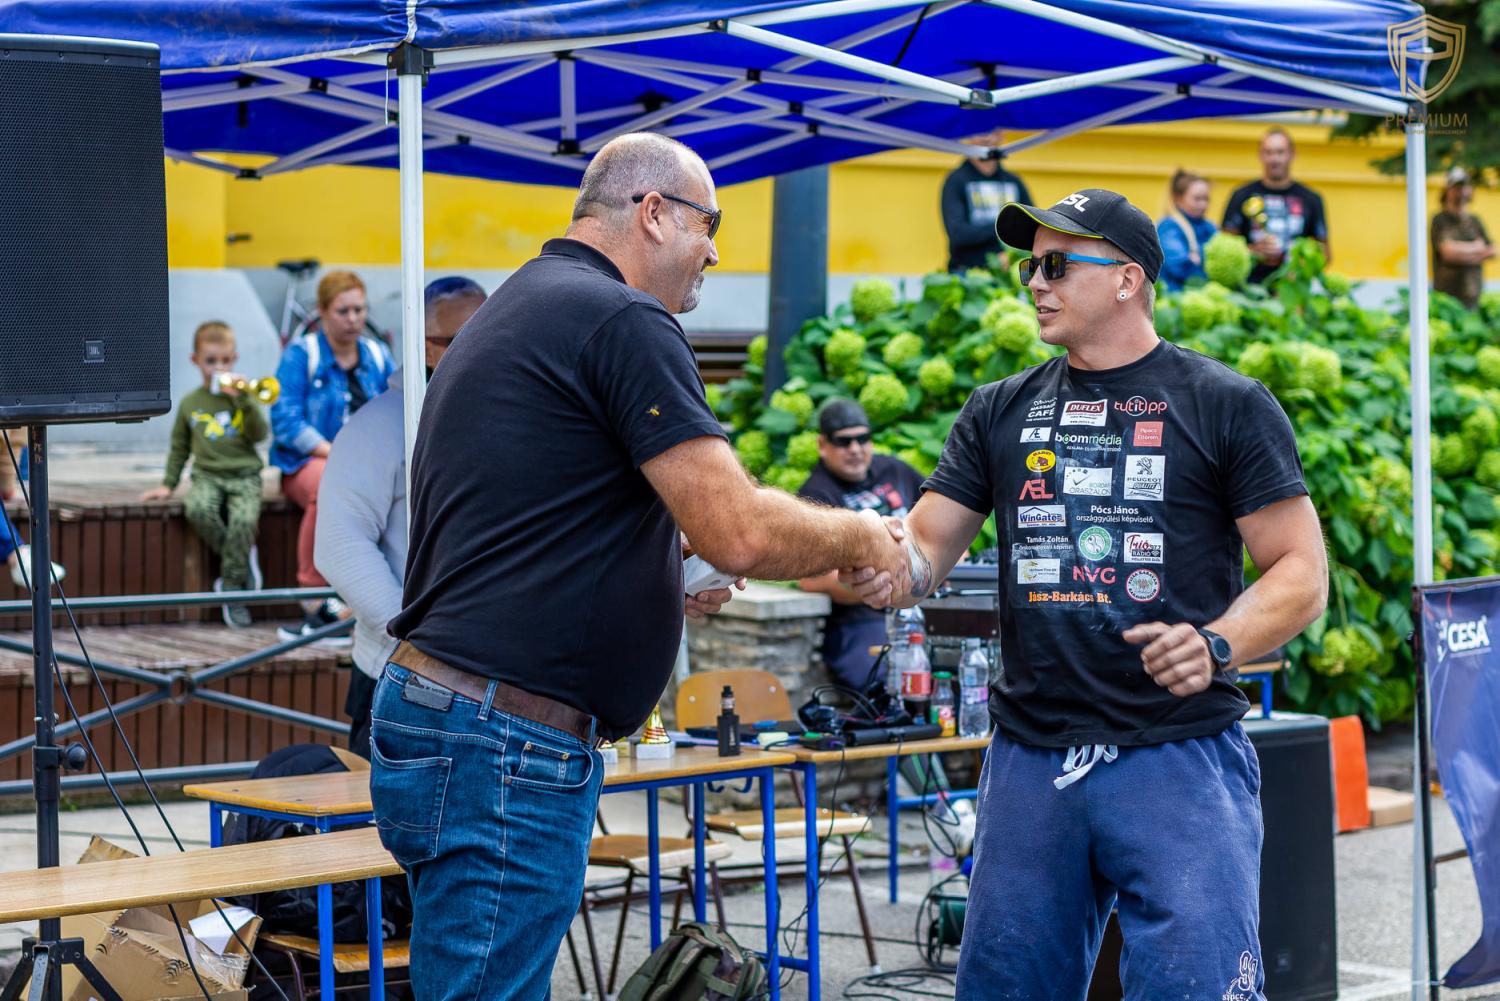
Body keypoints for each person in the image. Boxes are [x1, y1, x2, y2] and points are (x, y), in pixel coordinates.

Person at [370, 132, 908, 1000]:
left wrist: (656, 567)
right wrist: (868, 537)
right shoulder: (622, 317)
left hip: (457, 715)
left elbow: (532, 513)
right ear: (653, 213)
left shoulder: (522, 302)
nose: (716, 251)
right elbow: (737, 531)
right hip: (504, 736)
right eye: (710, 223)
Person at [843, 188, 1328, 1000]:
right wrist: (884, 566)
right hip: (1032, 757)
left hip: (1177, 754)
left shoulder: (1224, 402)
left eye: (1058, 265)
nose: (1036, 282)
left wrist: (1216, 643)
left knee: (1194, 989)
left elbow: (1302, 570)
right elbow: (924, 546)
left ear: (1128, 278)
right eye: (1031, 267)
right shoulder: (999, 408)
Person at [314, 276, 487, 757]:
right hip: (399, 677)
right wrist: (412, 638)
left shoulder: (504, 415)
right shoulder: (377, 425)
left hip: (486, 681)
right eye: (462, 338)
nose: (485, 348)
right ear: (425, 344)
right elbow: (340, 544)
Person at [270, 271, 394, 642]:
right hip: (308, 463)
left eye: (359, 310)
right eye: (343, 311)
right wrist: (338, 453)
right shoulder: (301, 355)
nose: (354, 319)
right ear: (323, 312)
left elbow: (397, 409)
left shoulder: (377, 354)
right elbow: (285, 420)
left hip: (367, 463)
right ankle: (315, 599)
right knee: (328, 483)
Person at [142, 322, 267, 627]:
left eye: (225, 360)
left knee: (243, 520)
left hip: (244, 475)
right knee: (197, 509)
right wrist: (168, 484)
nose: (219, 368)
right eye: (211, 361)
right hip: (207, 475)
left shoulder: (242, 398)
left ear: (234, 359)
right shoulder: (190, 404)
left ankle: (232, 590)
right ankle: (241, 559)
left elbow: (260, 434)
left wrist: (244, 399)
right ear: (195, 360)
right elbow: (179, 447)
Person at [797, 398, 926, 688]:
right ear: (822, 445)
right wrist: (894, 584)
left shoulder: (895, 470)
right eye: (843, 441)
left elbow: (942, 526)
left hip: (926, 607)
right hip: (861, 621)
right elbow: (811, 580)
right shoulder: (815, 497)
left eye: (862, 439)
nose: (855, 449)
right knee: (885, 684)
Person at [1221, 127, 1329, 284]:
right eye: (1268, 152)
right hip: (1248, 290)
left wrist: (1300, 267)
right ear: (1260, 155)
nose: (1274, 159)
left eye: (1280, 152)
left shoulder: (1311, 199)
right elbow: (1224, 248)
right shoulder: (1241, 195)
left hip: (1294, 290)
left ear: (1292, 154)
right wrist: (1254, 251)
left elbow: (1325, 255)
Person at [941, 129, 1033, 273]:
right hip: (967, 272)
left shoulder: (1014, 181)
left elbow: (1031, 226)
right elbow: (958, 234)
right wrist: (1007, 227)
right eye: (981, 131)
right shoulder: (956, 181)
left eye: (993, 131)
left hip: (1010, 272)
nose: (987, 138)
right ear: (969, 135)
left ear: (1002, 135)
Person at [1432, 166, 1495, 309]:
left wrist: (1461, 253)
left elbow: (1493, 250)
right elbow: (1447, 252)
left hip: (1474, 294)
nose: (1461, 192)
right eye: (1457, 187)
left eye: (1465, 187)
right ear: (1447, 190)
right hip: (1446, 297)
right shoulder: (1440, 220)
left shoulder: (1475, 221)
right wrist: (1476, 248)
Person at [1156, 169, 1216, 290]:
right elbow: (1180, 267)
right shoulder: (1169, 226)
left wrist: (1198, 259)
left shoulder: (1209, 226)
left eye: (1206, 199)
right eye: (1197, 199)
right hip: (1175, 296)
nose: (1203, 205)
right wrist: (1206, 268)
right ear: (1178, 198)